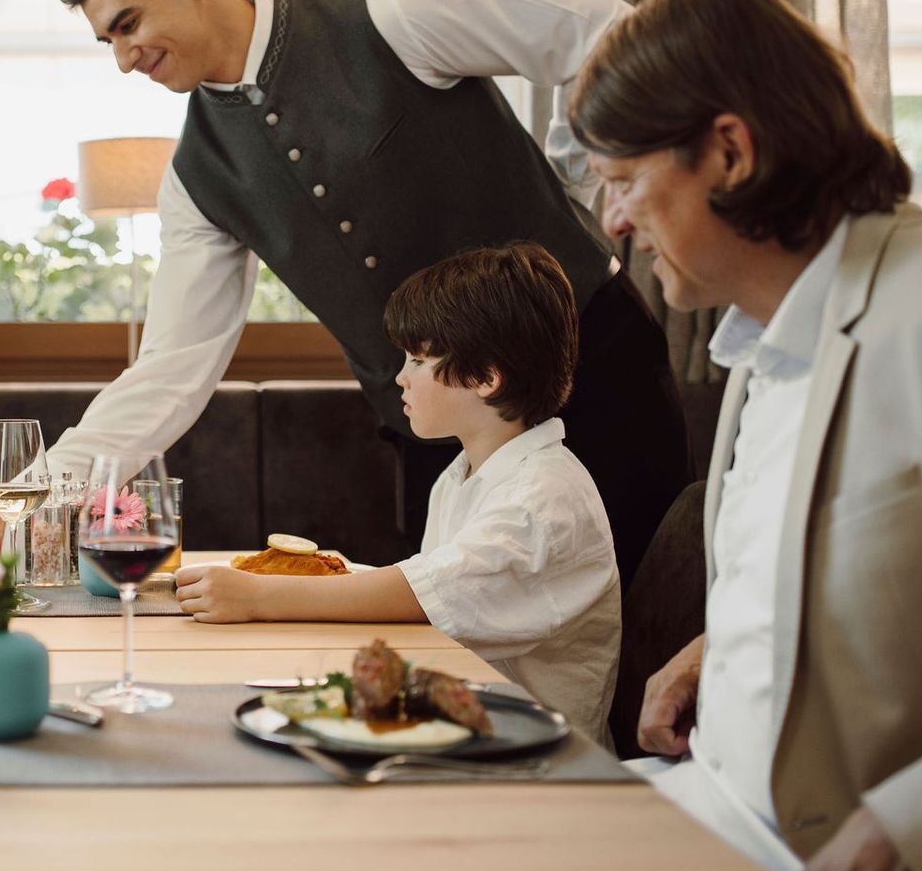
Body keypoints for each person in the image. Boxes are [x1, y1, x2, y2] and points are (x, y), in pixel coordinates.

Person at [0, 0, 689, 586]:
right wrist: (19, 499)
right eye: (108, 41)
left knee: (655, 626)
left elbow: (603, 34)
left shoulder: (395, 8)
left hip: (599, 370)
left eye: (128, 23)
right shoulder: (195, 181)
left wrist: (578, 184)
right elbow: (168, 371)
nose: (124, 57)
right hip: (444, 446)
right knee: (464, 678)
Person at [574, 0, 922, 871]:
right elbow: (907, 560)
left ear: (732, 153)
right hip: (702, 816)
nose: (612, 222)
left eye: (622, 178)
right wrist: (736, 640)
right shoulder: (762, 346)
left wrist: (919, 847)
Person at [173, 243, 620, 745]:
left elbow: (423, 594)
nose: (400, 377)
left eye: (419, 359)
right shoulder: (468, 472)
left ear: (486, 378)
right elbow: (440, 586)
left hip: (536, 752)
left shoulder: (540, 502)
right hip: (464, 720)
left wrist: (256, 598)